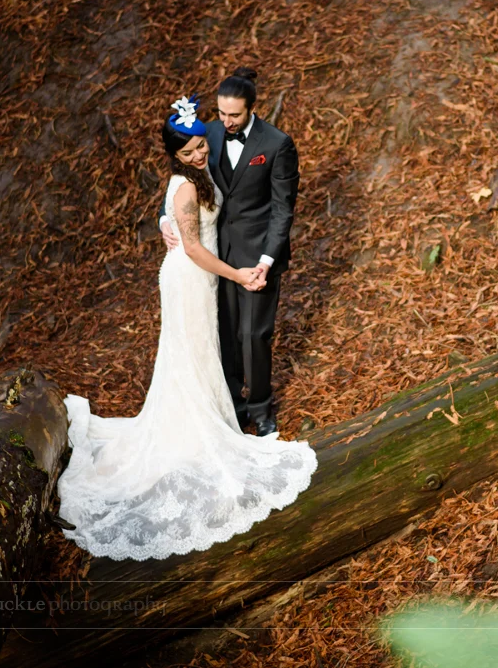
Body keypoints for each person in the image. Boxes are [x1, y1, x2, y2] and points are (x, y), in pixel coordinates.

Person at [55, 97, 317, 561]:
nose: (200, 154)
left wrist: (166, 218)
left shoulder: (200, 167)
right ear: (175, 156)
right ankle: (199, 430)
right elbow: (193, 248)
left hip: (205, 275)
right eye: (190, 152)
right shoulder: (185, 188)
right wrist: (235, 273)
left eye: (201, 146)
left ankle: (222, 413)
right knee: (192, 351)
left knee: (199, 352)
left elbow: (190, 202)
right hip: (192, 277)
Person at [161, 68, 298, 437]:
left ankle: (261, 407)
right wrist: (163, 218)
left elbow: (283, 208)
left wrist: (267, 261)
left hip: (258, 256)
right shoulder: (207, 135)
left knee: (255, 334)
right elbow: (181, 173)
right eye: (221, 113)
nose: (226, 121)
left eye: (234, 114)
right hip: (214, 256)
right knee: (224, 333)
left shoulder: (276, 144)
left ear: (252, 108)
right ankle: (234, 407)